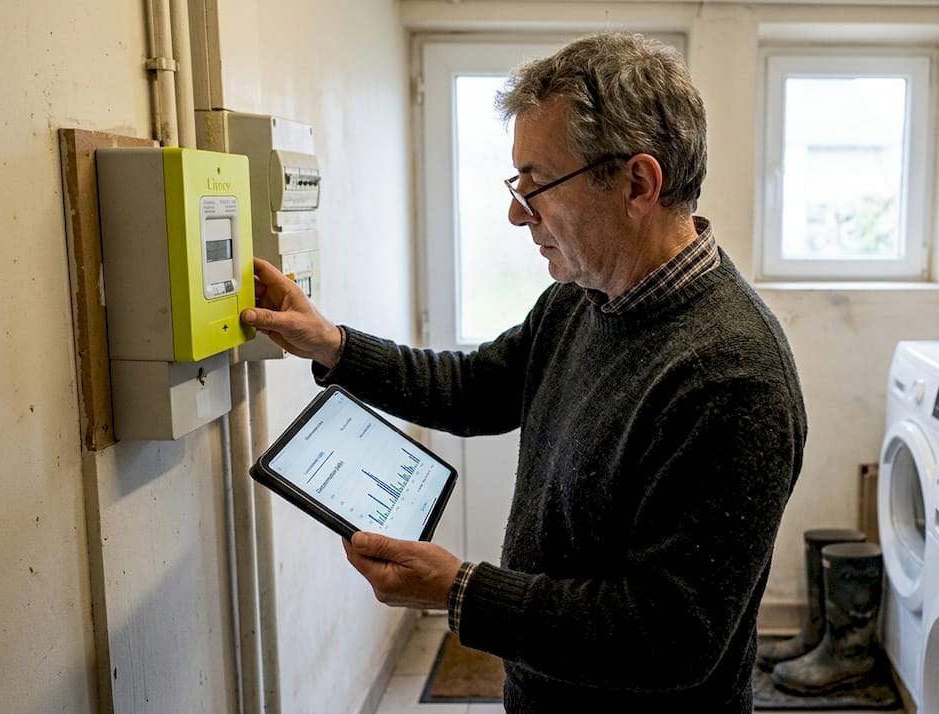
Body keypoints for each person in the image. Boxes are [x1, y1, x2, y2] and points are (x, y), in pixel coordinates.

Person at [241, 31, 807, 712]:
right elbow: (472, 387)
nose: (515, 212)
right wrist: (331, 344)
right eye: (517, 182)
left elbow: (669, 635)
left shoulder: (731, 378)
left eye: (537, 184)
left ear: (637, 183)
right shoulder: (582, 297)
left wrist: (460, 592)